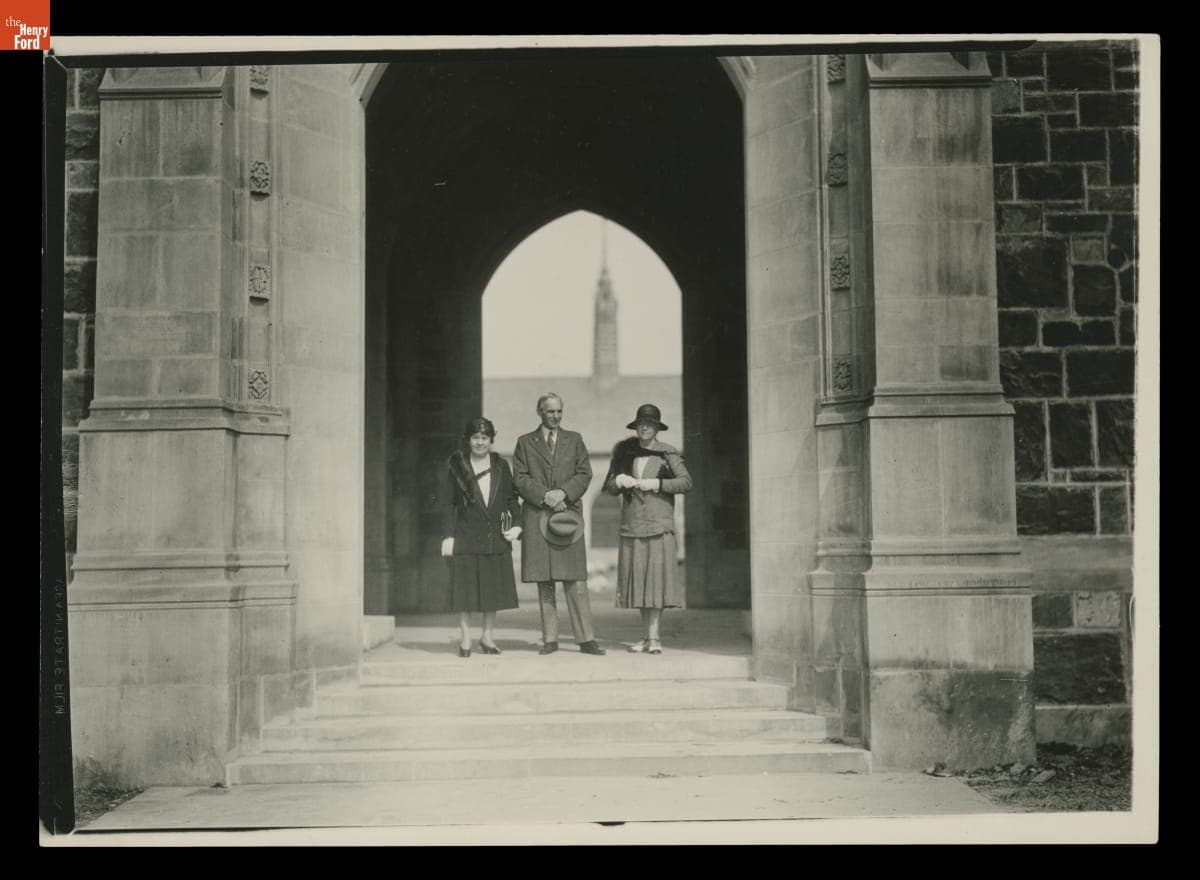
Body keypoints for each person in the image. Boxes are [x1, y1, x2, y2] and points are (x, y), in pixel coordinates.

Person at [512, 393, 606, 655]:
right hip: (538, 515)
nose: (555, 416)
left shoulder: (574, 440)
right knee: (545, 580)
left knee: (575, 579)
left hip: (567, 515)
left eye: (559, 412)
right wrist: (546, 496)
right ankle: (550, 639)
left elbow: (585, 473)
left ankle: (586, 638)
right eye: (550, 411)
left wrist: (563, 493)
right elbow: (519, 478)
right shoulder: (524, 443)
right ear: (539, 412)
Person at [603, 404, 692, 654]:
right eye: (641, 424)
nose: (645, 428)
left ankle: (655, 639)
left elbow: (686, 482)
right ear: (636, 427)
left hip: (657, 524)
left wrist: (657, 483)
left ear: (657, 429)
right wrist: (618, 480)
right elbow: (609, 487)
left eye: (650, 425)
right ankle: (646, 637)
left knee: (656, 583)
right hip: (632, 524)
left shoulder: (667, 454)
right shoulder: (625, 453)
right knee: (641, 584)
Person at [440, 417, 523, 658]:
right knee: (464, 592)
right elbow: (448, 504)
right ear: (468, 440)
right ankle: (466, 638)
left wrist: (517, 525)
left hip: (494, 537)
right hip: (465, 536)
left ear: (491, 440)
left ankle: (487, 637)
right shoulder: (457, 466)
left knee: (491, 592)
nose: (479, 442)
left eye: (484, 438)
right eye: (475, 438)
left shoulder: (501, 466)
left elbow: (510, 499)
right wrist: (448, 536)